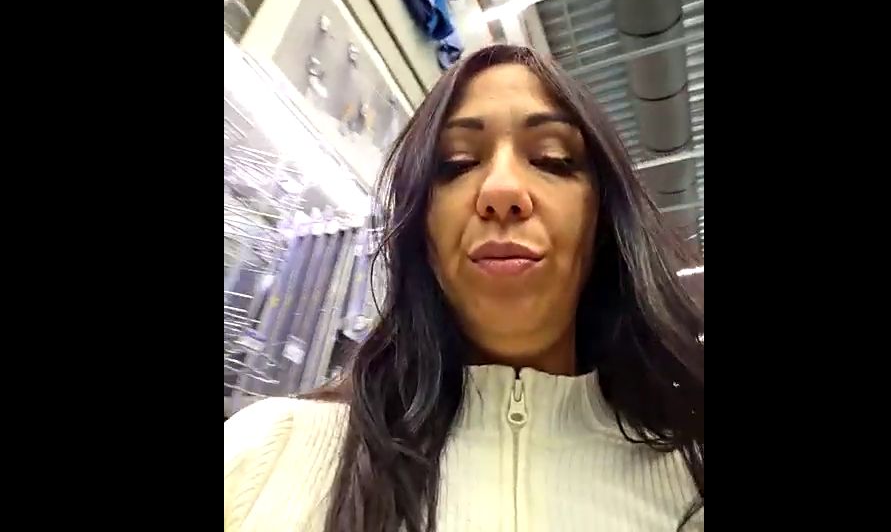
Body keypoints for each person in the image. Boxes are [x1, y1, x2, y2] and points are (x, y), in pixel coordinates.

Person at [224, 44, 704, 532]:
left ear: (601, 220)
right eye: (456, 163)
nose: (501, 190)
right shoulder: (268, 455)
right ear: (422, 230)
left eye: (552, 159)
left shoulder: (691, 486)